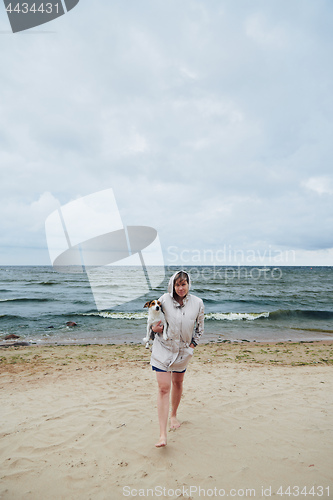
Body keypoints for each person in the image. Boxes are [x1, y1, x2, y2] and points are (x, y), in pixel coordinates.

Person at [150, 270, 204, 447]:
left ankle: (173, 415)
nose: (180, 288)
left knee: (178, 383)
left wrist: (192, 346)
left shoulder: (197, 303)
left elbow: (200, 328)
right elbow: (153, 319)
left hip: (183, 352)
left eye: (183, 284)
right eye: (177, 284)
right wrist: (154, 330)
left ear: (188, 285)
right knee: (164, 388)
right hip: (163, 349)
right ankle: (162, 435)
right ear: (172, 285)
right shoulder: (164, 300)